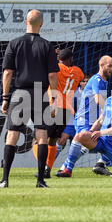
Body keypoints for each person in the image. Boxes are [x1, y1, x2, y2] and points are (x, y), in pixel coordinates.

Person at [0, 9, 59, 188]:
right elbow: (53, 75)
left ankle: (4, 180)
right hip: (40, 92)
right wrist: (53, 97)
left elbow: (8, 72)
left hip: (20, 92)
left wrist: (5, 98)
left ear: (26, 22)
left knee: (12, 135)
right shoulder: (47, 46)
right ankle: (40, 180)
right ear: (41, 24)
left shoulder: (14, 43)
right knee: (42, 136)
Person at [55, 55, 112, 177]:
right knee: (83, 139)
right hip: (84, 119)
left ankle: (98, 164)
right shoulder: (97, 80)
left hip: (93, 119)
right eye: (109, 66)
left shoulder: (104, 81)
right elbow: (98, 100)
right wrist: (109, 111)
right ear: (101, 65)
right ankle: (65, 168)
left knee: (110, 137)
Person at [63, 76, 112, 177]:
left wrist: (101, 132)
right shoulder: (110, 100)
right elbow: (101, 120)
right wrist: (91, 131)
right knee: (80, 136)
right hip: (101, 140)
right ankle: (67, 169)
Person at [32, 48, 84, 179]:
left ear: (59, 59)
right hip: (66, 110)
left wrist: (55, 57)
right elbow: (79, 76)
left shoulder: (56, 69)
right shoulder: (78, 72)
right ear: (71, 59)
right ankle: (47, 169)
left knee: (37, 139)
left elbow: (46, 69)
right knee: (52, 141)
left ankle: (42, 167)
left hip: (53, 107)